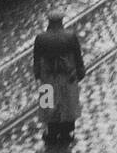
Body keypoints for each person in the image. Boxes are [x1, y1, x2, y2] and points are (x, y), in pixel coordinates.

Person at [33, 10, 85, 146]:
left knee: (47, 105)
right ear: (61, 21)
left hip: (47, 77)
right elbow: (78, 57)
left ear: (49, 22)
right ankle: (66, 132)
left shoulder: (41, 38)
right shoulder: (70, 36)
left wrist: (38, 74)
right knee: (68, 103)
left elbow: (37, 59)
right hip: (67, 77)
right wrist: (80, 72)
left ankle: (51, 131)